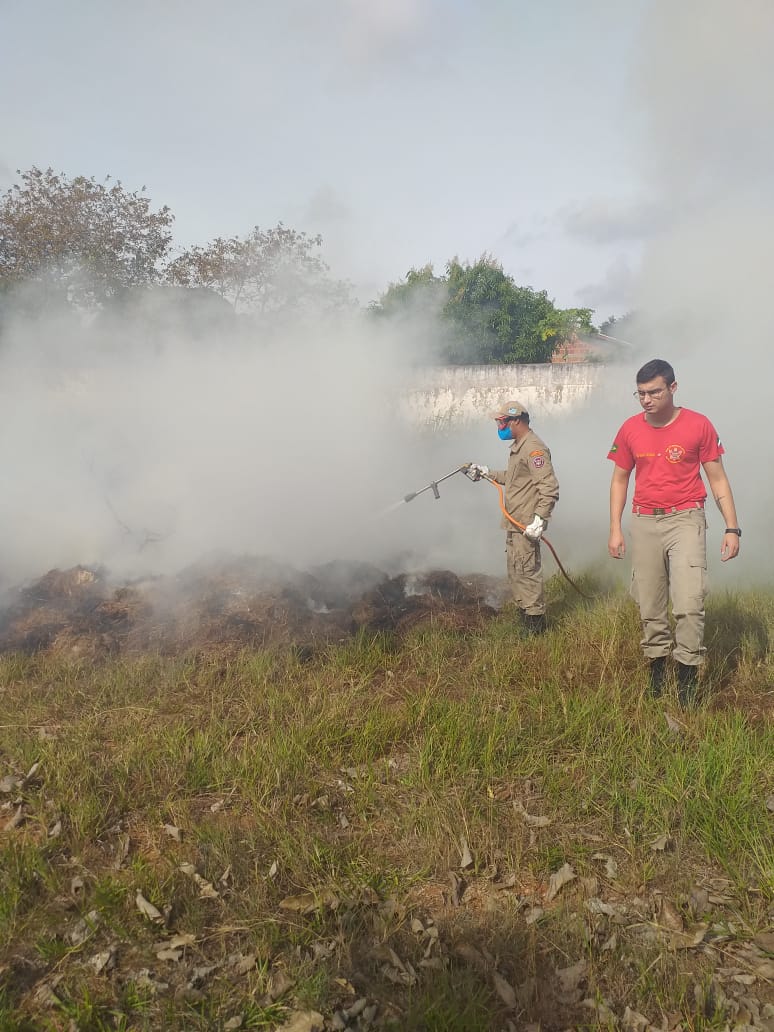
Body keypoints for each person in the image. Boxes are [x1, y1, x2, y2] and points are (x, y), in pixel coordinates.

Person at [607, 358, 740, 704]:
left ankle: (687, 678)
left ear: (672, 388)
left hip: (686, 519)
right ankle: (656, 670)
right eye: (640, 394)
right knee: (649, 603)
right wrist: (615, 528)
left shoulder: (699, 425)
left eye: (654, 392)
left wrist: (732, 527)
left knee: (689, 603)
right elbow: (620, 479)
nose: (646, 399)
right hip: (644, 520)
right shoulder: (629, 429)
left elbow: (718, 478)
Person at [469, 400, 559, 634]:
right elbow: (514, 476)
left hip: (526, 524)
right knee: (516, 571)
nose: (499, 426)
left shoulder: (534, 449)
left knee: (527, 573)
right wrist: (488, 473)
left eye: (502, 422)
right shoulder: (520, 446)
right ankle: (525, 617)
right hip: (514, 522)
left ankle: (535, 627)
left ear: (516, 420)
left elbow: (548, 487)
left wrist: (540, 519)